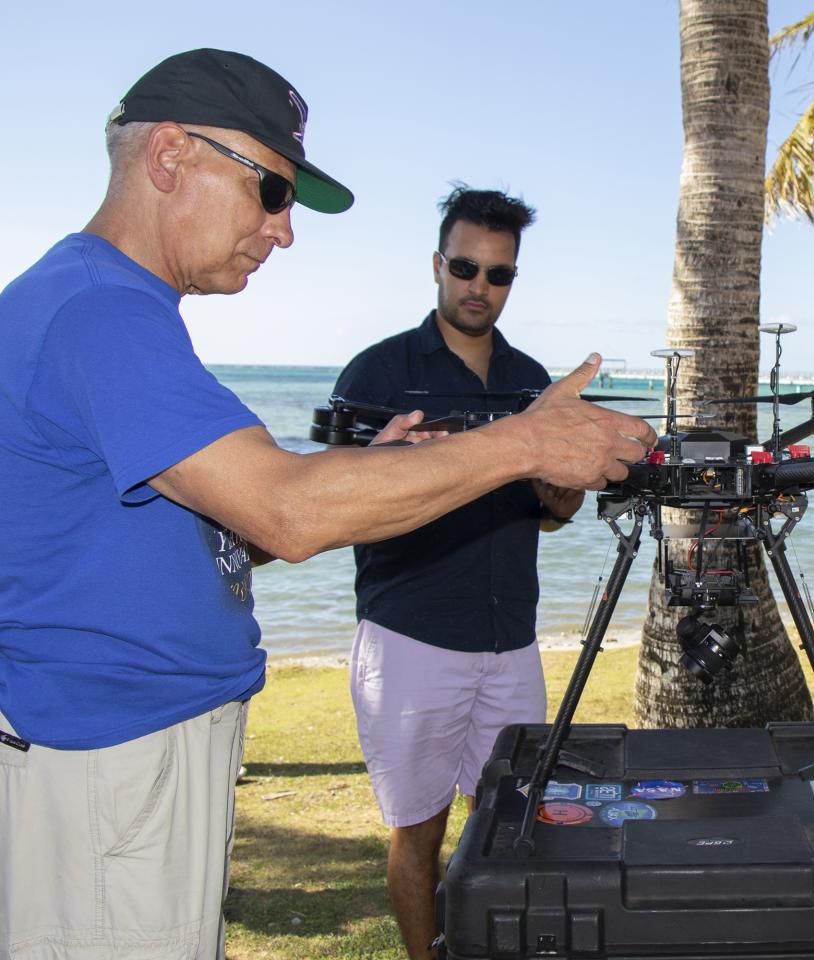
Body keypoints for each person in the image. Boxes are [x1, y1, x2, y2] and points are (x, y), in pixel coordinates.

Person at [0, 49, 654, 960]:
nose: (284, 232)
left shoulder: (111, 309)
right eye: (272, 191)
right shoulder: (98, 315)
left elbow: (224, 534)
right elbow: (287, 513)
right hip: (112, 753)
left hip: (135, 747)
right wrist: (529, 443)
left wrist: (372, 475)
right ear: (171, 155)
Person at [332, 187, 582, 960]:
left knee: (510, 825)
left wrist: (563, 486)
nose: (481, 287)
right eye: (467, 267)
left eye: (499, 274)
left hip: (510, 638)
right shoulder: (378, 373)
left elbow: (550, 516)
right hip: (413, 638)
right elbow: (332, 500)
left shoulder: (531, 380)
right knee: (419, 829)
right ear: (438, 265)